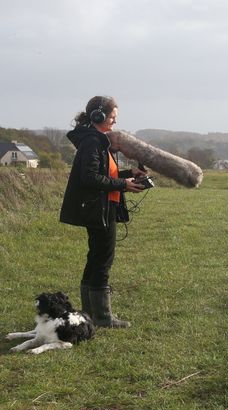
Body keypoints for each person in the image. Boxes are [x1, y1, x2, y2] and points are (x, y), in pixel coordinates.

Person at [59, 95, 147, 328]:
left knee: (96, 258)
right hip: (99, 209)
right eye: (112, 117)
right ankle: (102, 317)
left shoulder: (95, 140)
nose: (114, 122)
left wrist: (129, 174)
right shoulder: (93, 142)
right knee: (103, 261)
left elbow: (103, 174)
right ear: (98, 116)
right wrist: (123, 185)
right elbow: (89, 178)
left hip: (101, 206)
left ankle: (89, 314)